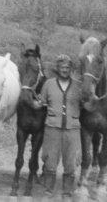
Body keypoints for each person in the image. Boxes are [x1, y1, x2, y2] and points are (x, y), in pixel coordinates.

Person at [36, 54, 82, 200]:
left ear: (71, 69)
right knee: (50, 161)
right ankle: (48, 192)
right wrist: (31, 102)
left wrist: (94, 101)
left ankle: (67, 193)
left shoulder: (78, 86)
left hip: (72, 129)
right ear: (57, 68)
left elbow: (87, 105)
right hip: (52, 128)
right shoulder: (48, 84)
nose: (65, 70)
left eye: (68, 67)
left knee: (71, 163)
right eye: (62, 67)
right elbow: (40, 103)